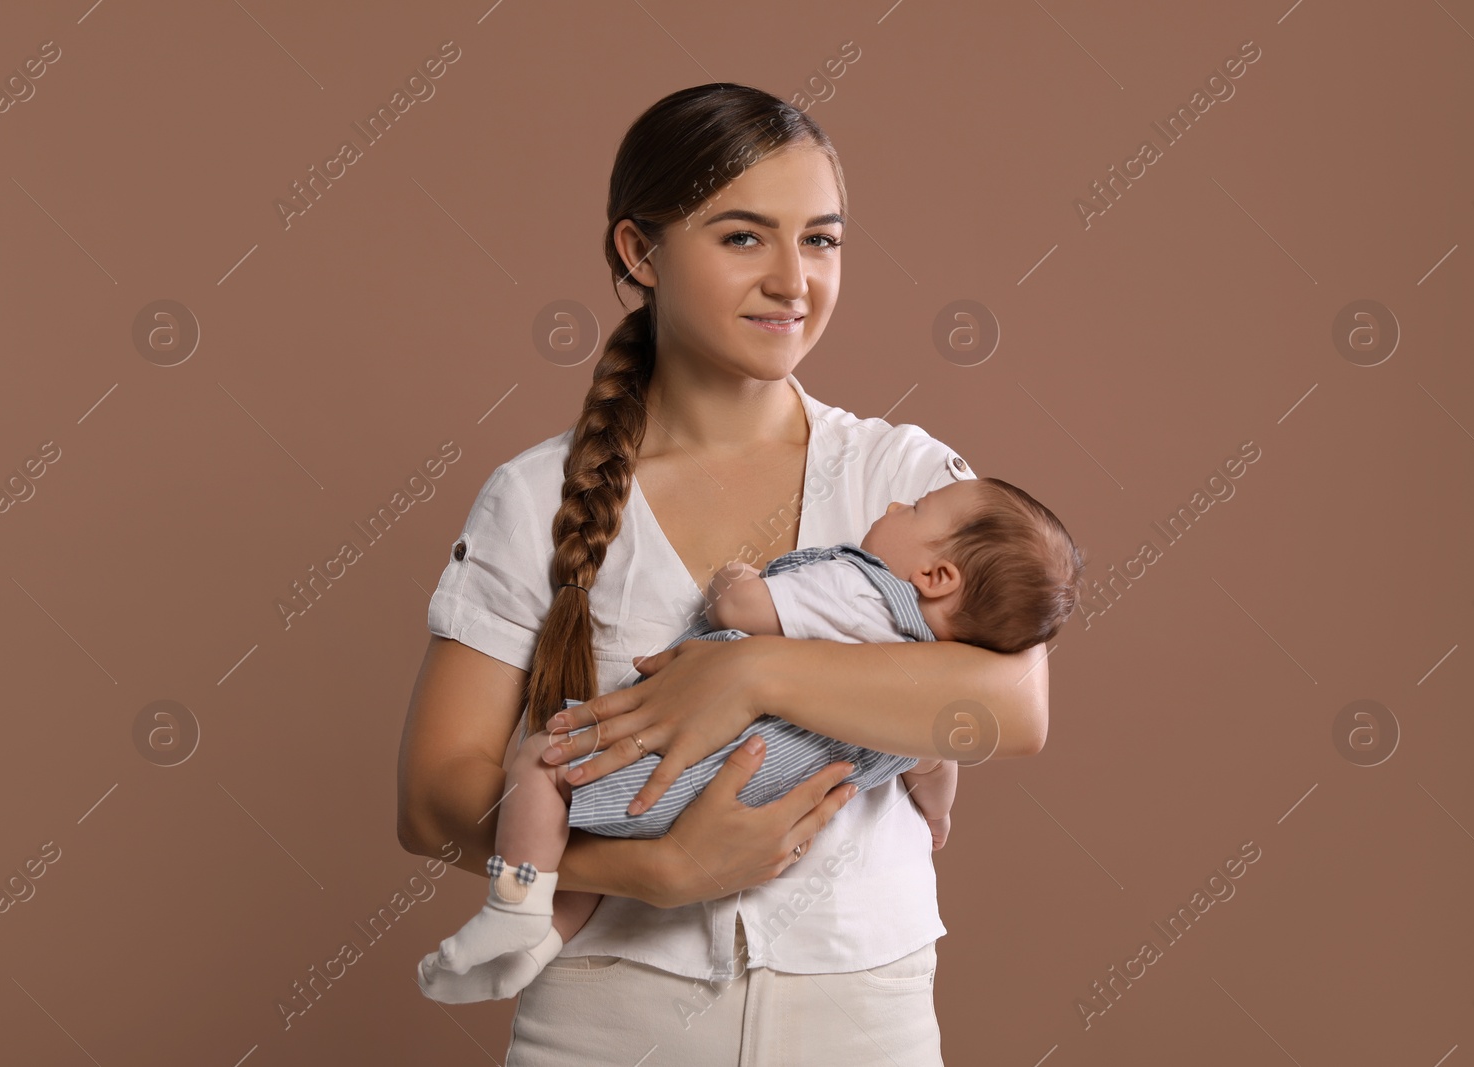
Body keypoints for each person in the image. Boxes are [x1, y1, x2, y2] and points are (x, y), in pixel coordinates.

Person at [396, 82, 1054, 1066]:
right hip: (604, 1023)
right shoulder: (536, 494)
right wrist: (652, 868)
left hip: (860, 1015)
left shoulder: (904, 478)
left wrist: (746, 673)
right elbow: (431, 794)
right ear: (638, 251)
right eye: (743, 236)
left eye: (822, 240)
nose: (793, 279)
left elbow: (1012, 709)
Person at [416, 476, 1083, 1004]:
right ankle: (536, 946)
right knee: (599, 841)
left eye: (918, 507)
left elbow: (740, 611)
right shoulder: (921, 699)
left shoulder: (861, 588)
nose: (897, 500)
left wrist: (732, 582)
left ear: (936, 576)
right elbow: (938, 760)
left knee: (544, 762)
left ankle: (517, 906)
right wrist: (938, 814)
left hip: (689, 763)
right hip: (765, 796)